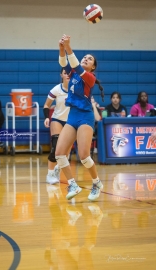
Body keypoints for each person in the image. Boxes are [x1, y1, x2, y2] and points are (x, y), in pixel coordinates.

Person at [55, 34, 104, 201]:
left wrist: (68, 47)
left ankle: (96, 183)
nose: (86, 59)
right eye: (85, 57)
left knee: (84, 156)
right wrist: (62, 49)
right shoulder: (73, 72)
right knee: (60, 153)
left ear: (93, 67)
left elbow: (74, 62)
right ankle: (72, 184)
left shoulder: (90, 77)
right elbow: (63, 64)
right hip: (72, 115)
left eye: (89, 59)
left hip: (85, 116)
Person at [43, 68, 70, 184]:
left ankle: (57, 169)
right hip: (57, 119)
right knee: (56, 147)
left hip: (70, 122)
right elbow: (46, 105)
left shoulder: (76, 89)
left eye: (70, 73)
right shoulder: (57, 89)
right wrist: (46, 117)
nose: (68, 75)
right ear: (61, 75)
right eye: (65, 73)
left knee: (66, 152)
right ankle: (49, 175)